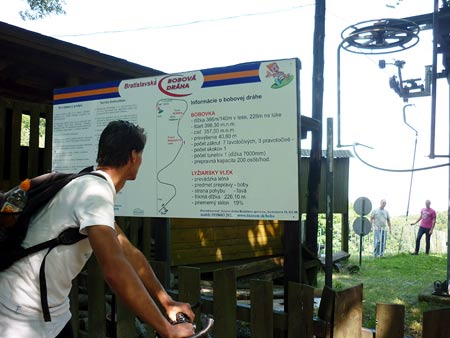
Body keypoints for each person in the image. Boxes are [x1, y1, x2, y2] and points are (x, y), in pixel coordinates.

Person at [0, 120, 195, 338]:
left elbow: (129, 254)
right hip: (20, 315)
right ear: (133, 157)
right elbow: (115, 269)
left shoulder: (88, 186)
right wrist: (166, 329)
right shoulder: (95, 192)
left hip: (53, 313)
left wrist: (167, 302)